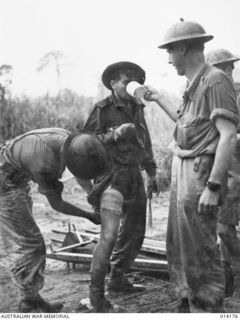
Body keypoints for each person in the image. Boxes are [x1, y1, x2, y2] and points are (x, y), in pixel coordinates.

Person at [144, 19, 239, 312]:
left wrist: (213, 186)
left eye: (170, 52)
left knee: (199, 247)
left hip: (201, 174)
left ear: (183, 48)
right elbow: (187, 123)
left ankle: (208, 307)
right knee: (180, 242)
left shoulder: (215, 80)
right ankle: (189, 299)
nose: (169, 59)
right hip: (184, 168)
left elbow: (228, 136)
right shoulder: (193, 84)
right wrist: (158, 97)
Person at [0, 127, 107, 313]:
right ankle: (27, 304)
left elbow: (80, 169)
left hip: (18, 178)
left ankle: (32, 299)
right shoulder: (45, 162)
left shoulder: (70, 142)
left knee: (28, 240)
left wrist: (92, 196)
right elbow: (57, 204)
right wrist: (90, 216)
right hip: (5, 186)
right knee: (30, 244)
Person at [83, 61, 159, 312]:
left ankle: (118, 278)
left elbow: (144, 138)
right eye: (127, 81)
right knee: (110, 233)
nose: (131, 85)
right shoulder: (101, 109)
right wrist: (115, 133)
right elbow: (86, 144)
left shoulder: (137, 105)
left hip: (133, 174)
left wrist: (152, 171)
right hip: (110, 176)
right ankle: (97, 292)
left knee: (135, 230)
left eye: (135, 81)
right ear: (114, 83)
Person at [206, 48, 240, 297]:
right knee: (222, 228)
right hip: (223, 170)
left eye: (229, 67)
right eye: (223, 68)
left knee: (224, 227)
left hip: (235, 170)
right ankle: (227, 272)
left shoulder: (235, 94)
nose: (228, 72)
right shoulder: (211, 94)